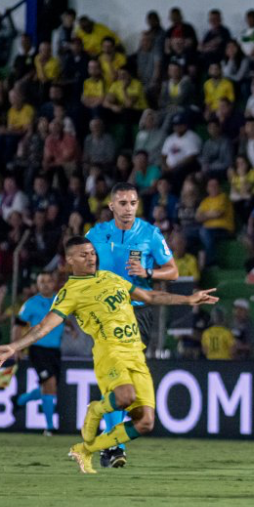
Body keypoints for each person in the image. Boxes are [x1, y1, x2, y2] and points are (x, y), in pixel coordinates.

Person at [0, 236, 218, 474]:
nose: (90, 257)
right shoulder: (70, 293)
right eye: (83, 254)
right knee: (125, 396)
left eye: (92, 253)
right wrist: (15, 346)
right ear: (69, 261)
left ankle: (85, 449)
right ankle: (96, 410)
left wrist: (188, 299)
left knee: (145, 422)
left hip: (136, 354)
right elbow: (44, 326)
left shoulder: (111, 278)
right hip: (110, 353)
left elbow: (150, 297)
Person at [86, 182, 179, 468]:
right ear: (111, 206)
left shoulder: (150, 234)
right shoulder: (96, 234)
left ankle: (111, 443)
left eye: (133, 203)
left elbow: (173, 271)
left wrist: (148, 271)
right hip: (105, 313)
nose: (128, 208)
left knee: (123, 379)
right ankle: (115, 446)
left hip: (138, 313)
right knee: (117, 375)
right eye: (122, 203)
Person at [10, 272, 63, 435]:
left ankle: (20, 400)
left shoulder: (61, 300)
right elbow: (18, 325)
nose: (46, 285)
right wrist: (16, 347)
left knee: (49, 388)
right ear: (37, 285)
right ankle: (49, 427)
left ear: (54, 283)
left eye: (49, 281)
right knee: (50, 383)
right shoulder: (31, 303)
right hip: (38, 349)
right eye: (42, 282)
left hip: (55, 350)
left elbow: (63, 317)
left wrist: (70, 327)